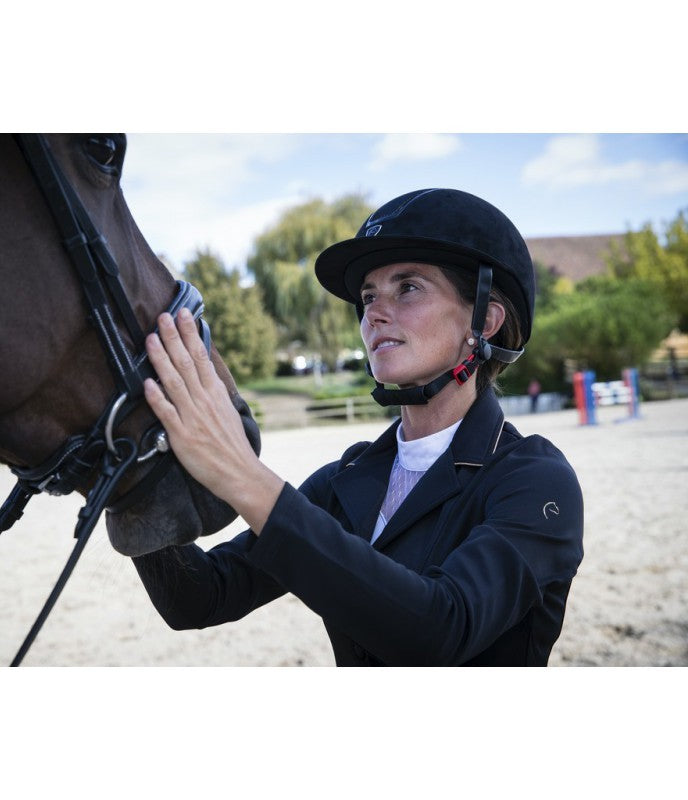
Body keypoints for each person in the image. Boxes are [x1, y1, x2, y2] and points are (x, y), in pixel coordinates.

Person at [133, 188, 584, 666]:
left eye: (407, 288)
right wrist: (131, 474)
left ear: (485, 321)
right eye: (368, 296)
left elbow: (439, 631)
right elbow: (200, 597)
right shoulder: (346, 480)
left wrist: (242, 476)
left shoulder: (534, 479)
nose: (373, 312)